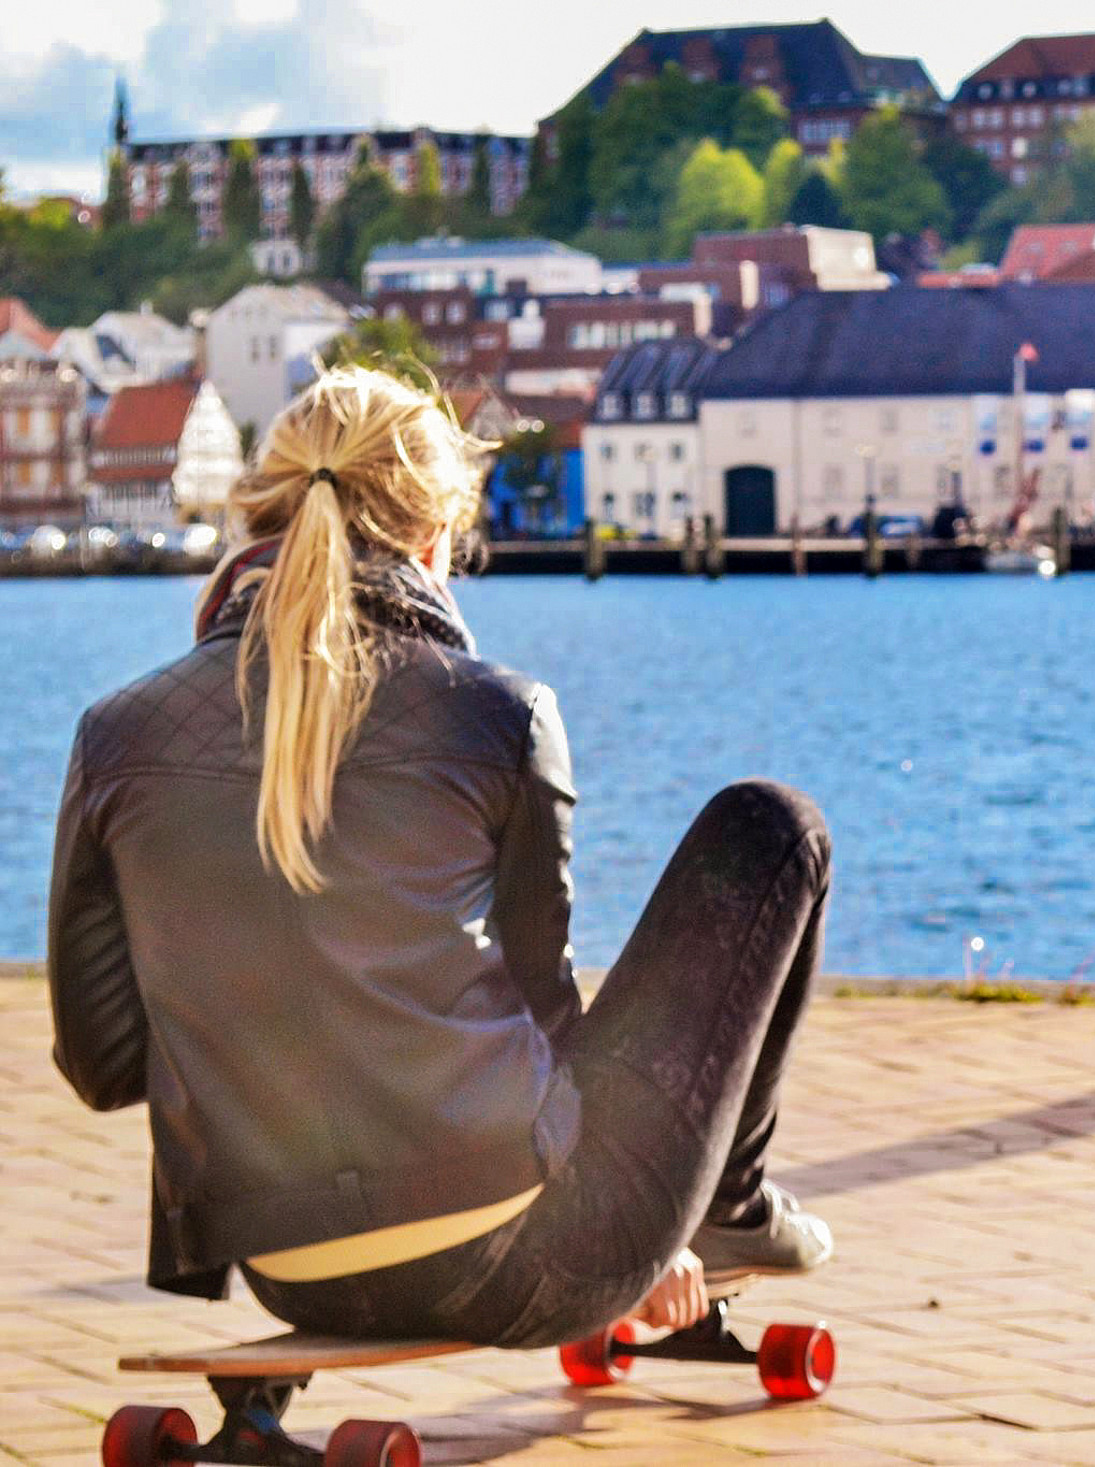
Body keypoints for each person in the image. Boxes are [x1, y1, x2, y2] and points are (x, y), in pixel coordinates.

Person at [47, 366, 832, 1349]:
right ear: (434, 539)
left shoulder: (115, 733)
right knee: (775, 825)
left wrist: (242, 1024)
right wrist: (652, 1220)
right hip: (521, 1261)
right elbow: (549, 1026)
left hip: (288, 1270)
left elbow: (102, 1065)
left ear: (261, 517)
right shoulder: (500, 713)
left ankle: (706, 1212)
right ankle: (728, 1208)